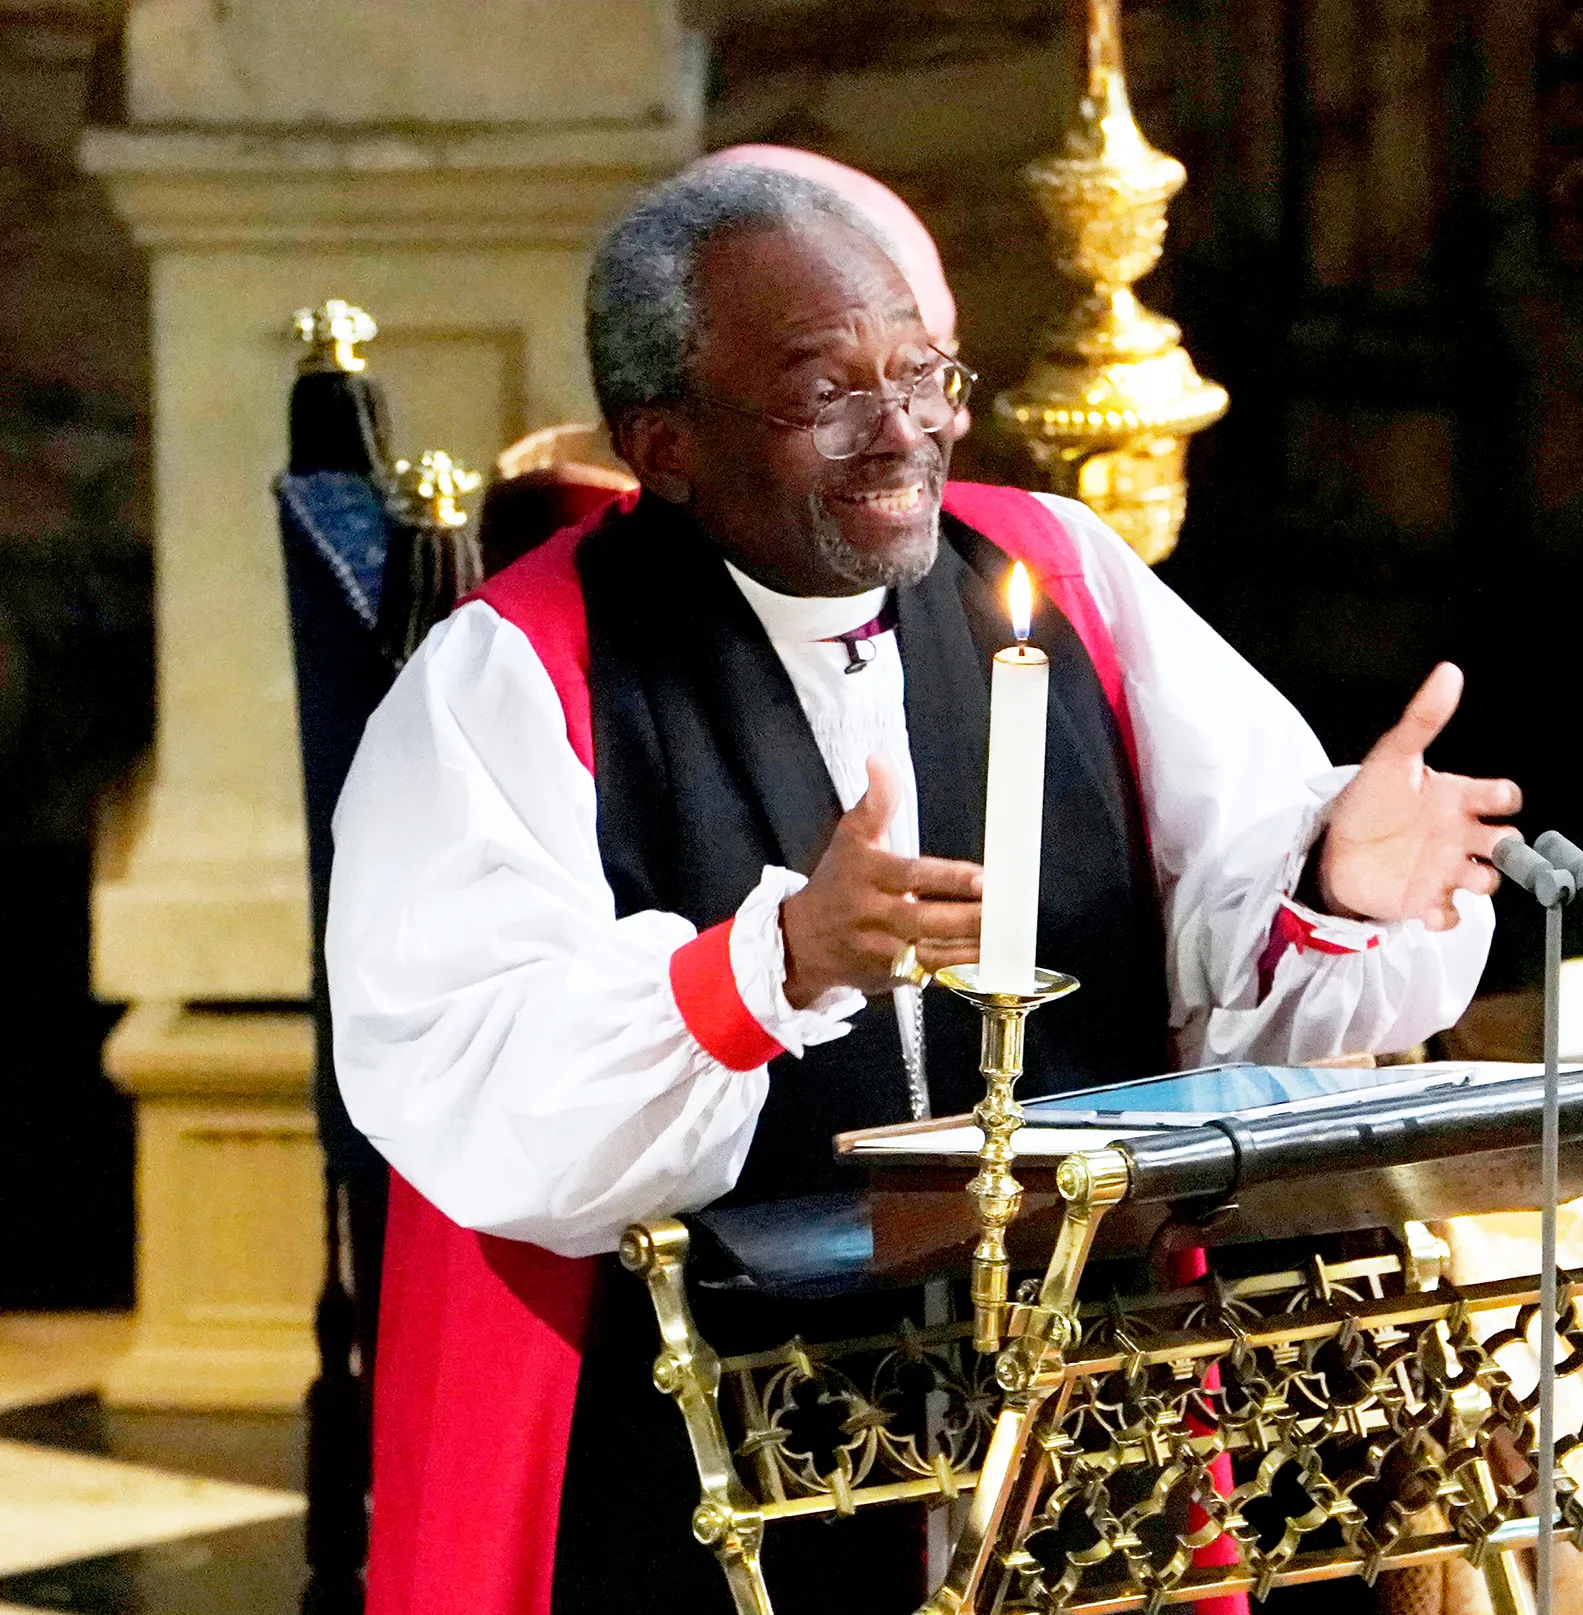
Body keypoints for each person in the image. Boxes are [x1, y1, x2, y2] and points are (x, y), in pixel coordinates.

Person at [326, 163, 1520, 1615]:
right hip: (683, 1451)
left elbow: (1225, 948)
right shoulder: (515, 671)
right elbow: (470, 1073)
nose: (903, 428)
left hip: (1066, 1407)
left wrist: (1338, 883)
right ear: (666, 442)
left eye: (921, 369)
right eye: (824, 389)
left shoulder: (1056, 573)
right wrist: (767, 968)